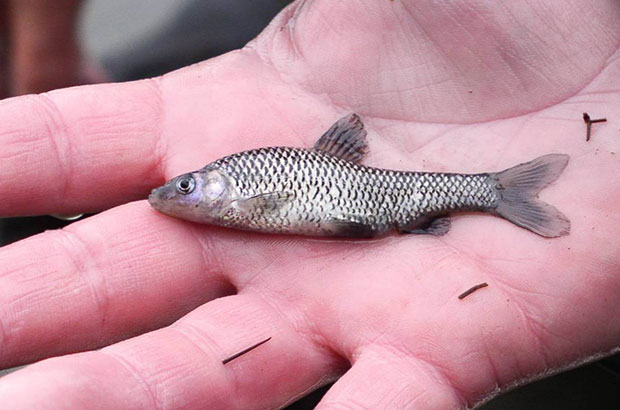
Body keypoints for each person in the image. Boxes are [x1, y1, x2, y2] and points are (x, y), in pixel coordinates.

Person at [0, 1, 619, 408]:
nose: (171, 197)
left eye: (186, 187)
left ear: (222, 188)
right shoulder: (243, 187)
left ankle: (496, 191)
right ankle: (494, 192)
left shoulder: (251, 188)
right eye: (181, 189)